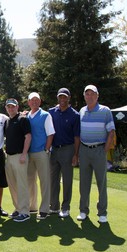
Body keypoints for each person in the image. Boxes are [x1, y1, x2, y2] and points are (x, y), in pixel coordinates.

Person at [77, 85, 115, 223]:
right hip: (84, 150)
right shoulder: (82, 111)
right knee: (84, 183)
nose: (90, 96)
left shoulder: (105, 110)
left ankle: (102, 213)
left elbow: (111, 131)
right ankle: (83, 210)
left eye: (92, 94)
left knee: (101, 183)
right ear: (84, 96)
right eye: (87, 94)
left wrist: (104, 150)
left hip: (99, 149)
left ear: (97, 95)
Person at [49, 88, 80, 218]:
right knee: (53, 180)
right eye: (60, 97)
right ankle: (54, 206)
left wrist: (76, 154)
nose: (62, 99)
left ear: (69, 98)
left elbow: (77, 137)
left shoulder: (75, 115)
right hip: (54, 149)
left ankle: (65, 207)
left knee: (67, 180)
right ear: (57, 97)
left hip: (68, 149)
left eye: (65, 97)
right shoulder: (51, 112)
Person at [27, 92, 55, 220]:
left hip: (41, 152)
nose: (34, 102)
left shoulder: (45, 115)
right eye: (32, 100)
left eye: (36, 100)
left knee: (44, 181)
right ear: (28, 102)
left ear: (40, 102)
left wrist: (46, 149)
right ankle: (32, 206)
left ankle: (44, 209)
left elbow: (50, 134)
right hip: (29, 153)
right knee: (30, 181)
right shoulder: (27, 115)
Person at [4, 98, 32, 222]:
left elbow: (28, 137)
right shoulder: (7, 122)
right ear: (6, 108)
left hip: (20, 156)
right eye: (9, 107)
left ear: (17, 107)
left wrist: (24, 154)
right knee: (13, 185)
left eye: (13, 106)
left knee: (22, 185)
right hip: (9, 157)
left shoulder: (23, 119)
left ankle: (25, 211)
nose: (11, 108)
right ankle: (18, 208)